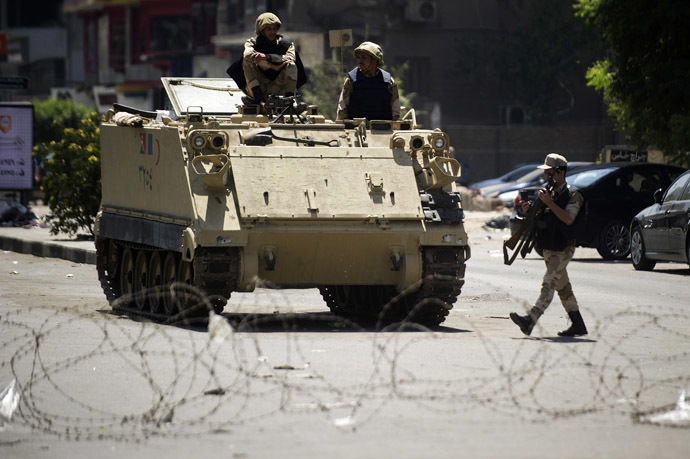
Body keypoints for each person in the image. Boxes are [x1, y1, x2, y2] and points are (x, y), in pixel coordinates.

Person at [509, 153, 589, 337]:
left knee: (549, 284)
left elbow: (568, 219)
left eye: (550, 173)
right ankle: (578, 325)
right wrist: (531, 210)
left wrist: (549, 203)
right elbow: (545, 217)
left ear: (560, 173)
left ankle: (530, 320)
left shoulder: (573, 195)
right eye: (546, 173)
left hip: (562, 247)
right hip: (549, 245)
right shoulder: (549, 193)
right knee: (563, 288)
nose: (547, 177)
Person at [226, 12, 306, 105]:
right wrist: (272, 66)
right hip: (259, 86)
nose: (272, 32)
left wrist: (267, 56)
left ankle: (288, 102)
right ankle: (259, 101)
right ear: (262, 30)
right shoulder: (253, 42)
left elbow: (290, 58)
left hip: (278, 86)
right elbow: (247, 55)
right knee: (247, 62)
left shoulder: (286, 43)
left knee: (291, 65)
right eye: (268, 29)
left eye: (275, 28)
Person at [336, 41, 401, 121]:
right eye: (359, 57)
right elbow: (342, 111)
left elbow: (395, 113)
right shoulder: (351, 81)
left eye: (364, 57)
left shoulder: (388, 82)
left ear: (375, 60)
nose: (360, 61)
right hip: (356, 129)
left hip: (383, 130)